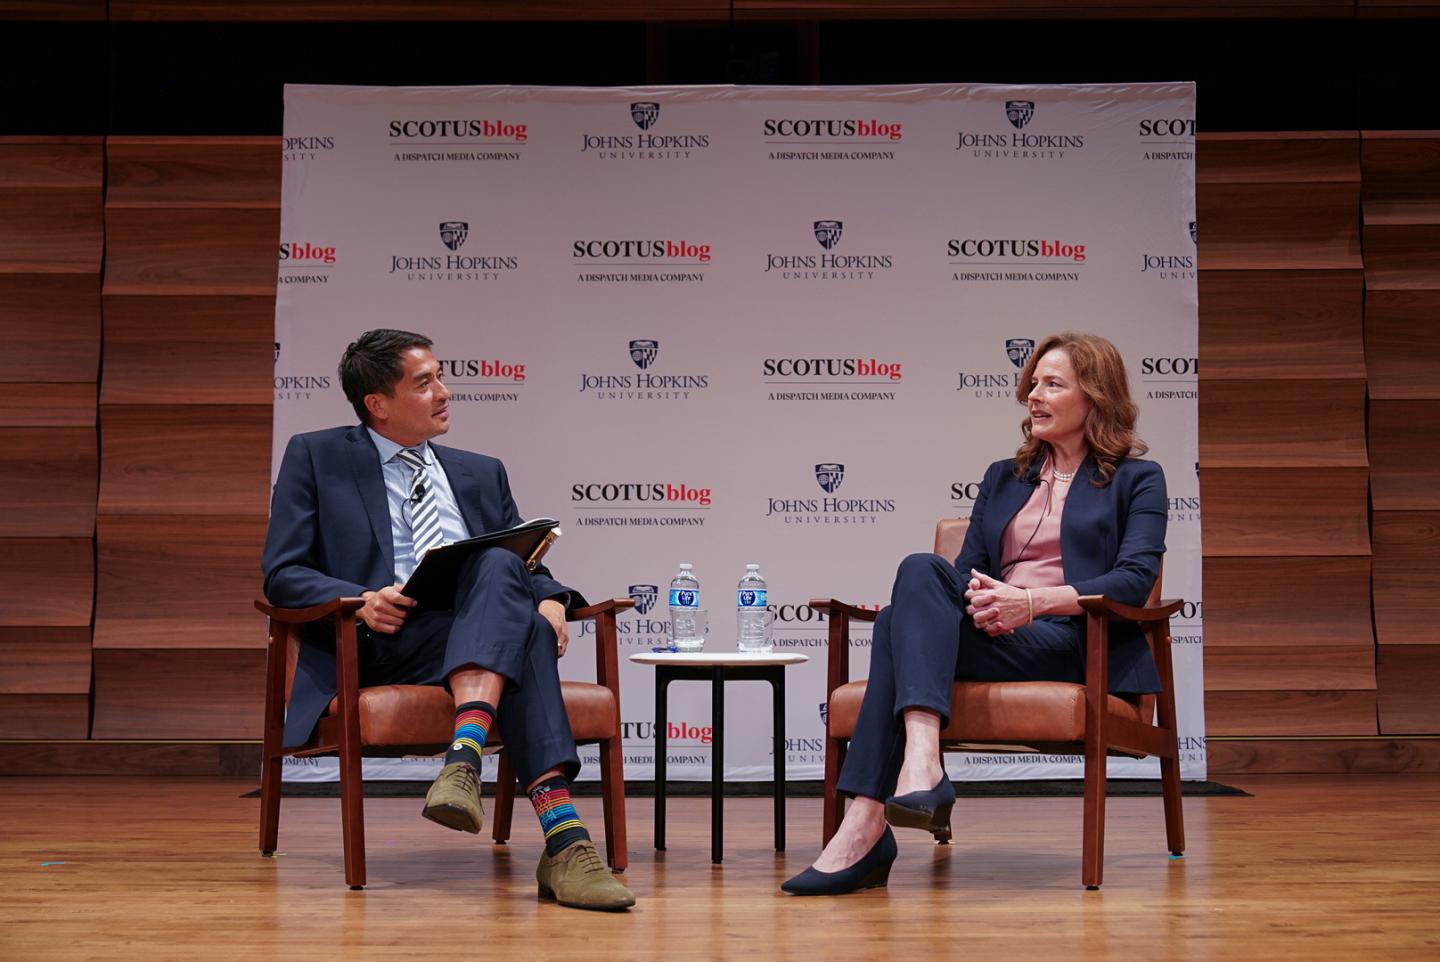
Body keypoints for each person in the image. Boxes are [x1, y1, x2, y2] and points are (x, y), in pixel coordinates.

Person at [261, 328, 635, 911]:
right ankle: (562, 841)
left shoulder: (480, 472)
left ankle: (476, 767)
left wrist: (552, 599)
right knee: (523, 630)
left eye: (441, 377)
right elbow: (282, 573)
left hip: (475, 633)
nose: (444, 392)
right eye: (424, 383)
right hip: (377, 641)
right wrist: (362, 598)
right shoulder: (318, 456)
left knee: (510, 583)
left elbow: (525, 566)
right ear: (378, 404)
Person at [782, 332, 1167, 895]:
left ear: (1095, 396)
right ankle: (919, 765)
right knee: (921, 571)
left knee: (891, 626)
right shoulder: (1003, 477)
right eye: (1032, 383)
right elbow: (964, 573)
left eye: (1052, 384)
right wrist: (987, 606)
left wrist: (1028, 603)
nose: (1033, 395)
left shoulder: (1137, 479)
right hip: (997, 636)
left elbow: (1135, 580)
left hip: (1078, 642)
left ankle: (866, 826)